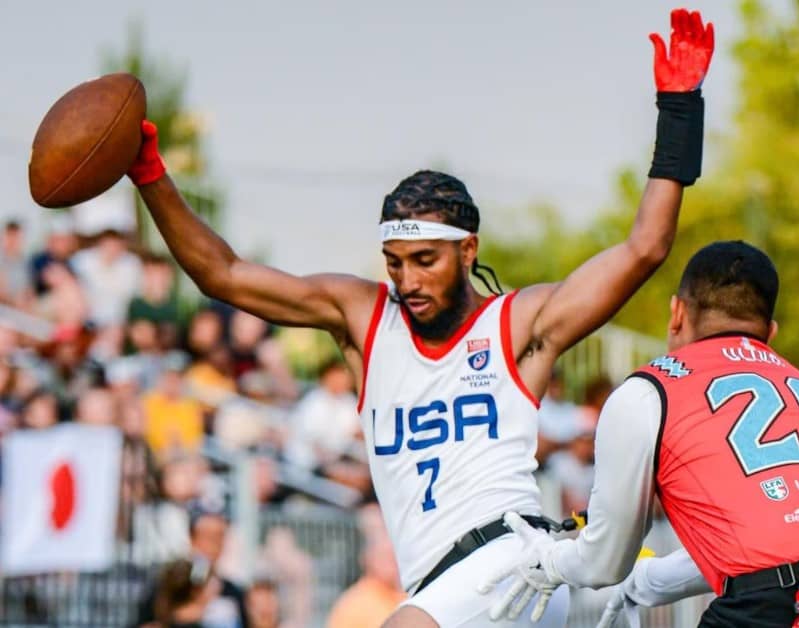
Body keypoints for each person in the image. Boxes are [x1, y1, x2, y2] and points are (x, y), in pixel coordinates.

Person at [124, 8, 712, 626]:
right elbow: (223, 274)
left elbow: (644, 248)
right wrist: (151, 177)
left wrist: (679, 109)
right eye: (394, 262)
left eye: (425, 260)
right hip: (444, 589)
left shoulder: (515, 325)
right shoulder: (361, 316)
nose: (407, 280)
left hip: (509, 564)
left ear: (468, 250)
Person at [483, 241, 799, 627]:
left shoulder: (649, 390)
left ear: (676, 313)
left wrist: (549, 562)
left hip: (784, 606)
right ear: (769, 332)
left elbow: (604, 560)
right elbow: (774, 548)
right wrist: (648, 581)